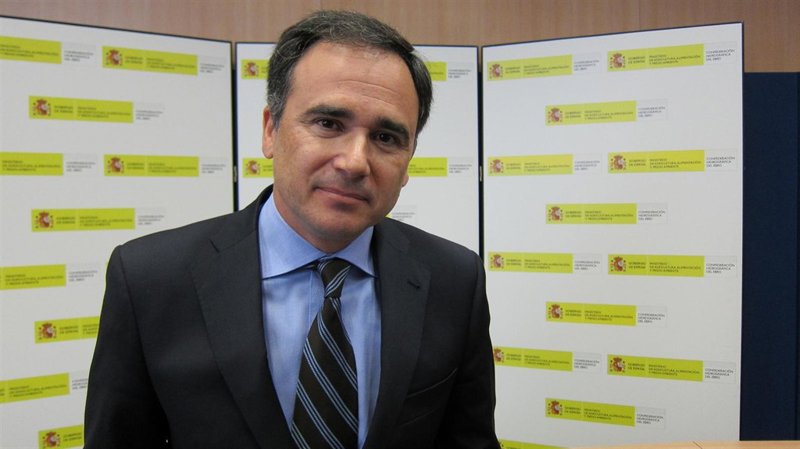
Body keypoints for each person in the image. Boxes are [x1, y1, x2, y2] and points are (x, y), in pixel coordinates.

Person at [84, 10, 498, 449]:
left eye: (386, 138)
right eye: (328, 124)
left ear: (408, 159)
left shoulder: (455, 280)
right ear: (270, 130)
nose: (355, 162)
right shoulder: (150, 279)